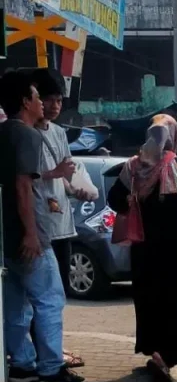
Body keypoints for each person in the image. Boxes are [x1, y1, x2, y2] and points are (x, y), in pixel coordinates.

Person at [107, 114, 177, 380]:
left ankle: (156, 352)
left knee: (151, 300)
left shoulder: (133, 168)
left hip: (145, 250)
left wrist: (133, 202)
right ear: (174, 137)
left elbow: (115, 200)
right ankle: (167, 358)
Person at [1, 70, 82, 382]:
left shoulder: (3, 133)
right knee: (49, 300)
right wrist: (32, 233)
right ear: (26, 102)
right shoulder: (28, 135)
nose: (43, 104)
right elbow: (23, 187)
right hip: (30, 238)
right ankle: (51, 369)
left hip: (6, 237)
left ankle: (22, 364)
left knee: (17, 306)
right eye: (38, 97)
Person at [31, 70, 96, 371]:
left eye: (59, 100)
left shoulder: (58, 133)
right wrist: (53, 174)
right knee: (40, 298)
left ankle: (52, 351)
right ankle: (44, 358)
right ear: (34, 99)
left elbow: (66, 178)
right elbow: (23, 178)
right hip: (37, 225)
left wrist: (78, 190)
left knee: (58, 296)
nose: (56, 106)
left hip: (62, 225)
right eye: (50, 99)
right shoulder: (23, 133)